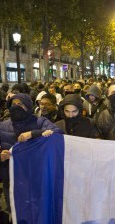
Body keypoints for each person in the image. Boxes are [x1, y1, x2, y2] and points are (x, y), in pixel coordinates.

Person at [0, 93, 62, 223]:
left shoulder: (40, 122)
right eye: (13, 105)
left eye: (20, 104)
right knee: (16, 211)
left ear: (28, 106)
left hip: (36, 178)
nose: (16, 107)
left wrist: (33, 134)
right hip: (11, 179)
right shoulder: (3, 126)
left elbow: (57, 133)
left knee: (37, 212)